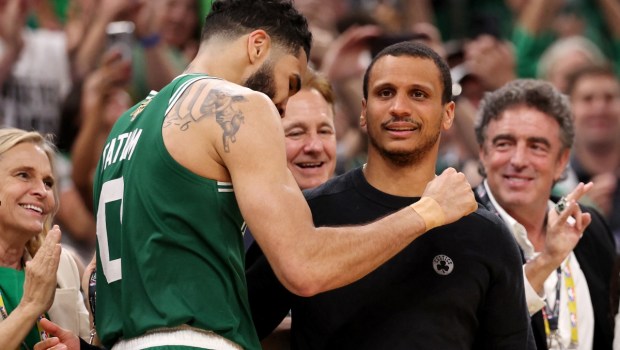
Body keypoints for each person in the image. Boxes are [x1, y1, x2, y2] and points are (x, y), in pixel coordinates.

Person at [84, 1, 476, 349]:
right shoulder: (240, 105)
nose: (284, 106)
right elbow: (303, 268)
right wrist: (427, 212)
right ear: (257, 46)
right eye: (291, 81)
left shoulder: (126, 124)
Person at [247, 41, 533, 349]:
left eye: (418, 94)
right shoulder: (306, 214)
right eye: (385, 93)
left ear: (448, 114)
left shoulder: (486, 234)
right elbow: (243, 328)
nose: (399, 108)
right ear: (363, 111)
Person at [473, 79, 616, 349]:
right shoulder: (458, 229)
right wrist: (547, 260)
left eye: (537, 146)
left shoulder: (589, 226)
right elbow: (471, 335)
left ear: (562, 160)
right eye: (504, 143)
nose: (518, 160)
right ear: (483, 152)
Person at [0, 128, 90, 349]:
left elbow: (89, 341)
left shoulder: (63, 264)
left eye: (48, 182)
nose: (42, 191)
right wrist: (31, 304)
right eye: (23, 175)